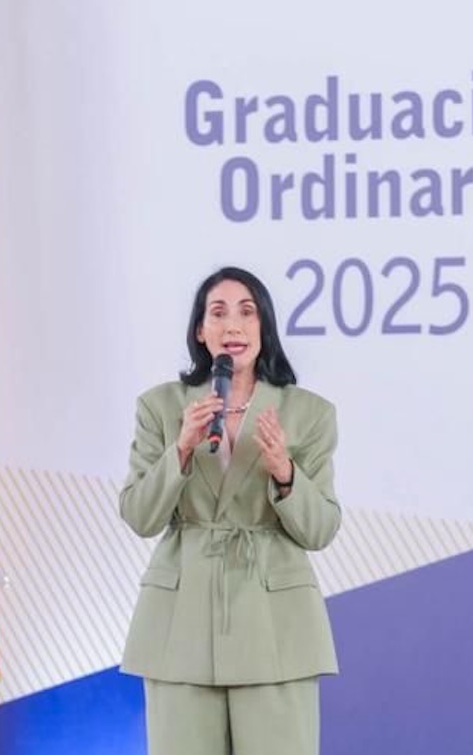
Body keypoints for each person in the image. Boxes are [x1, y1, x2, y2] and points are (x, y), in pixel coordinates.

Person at [118, 266, 341, 755]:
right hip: (181, 627)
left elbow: (321, 528)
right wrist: (180, 449)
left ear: (264, 327)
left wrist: (285, 472)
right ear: (200, 330)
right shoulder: (161, 407)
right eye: (217, 313)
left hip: (276, 629)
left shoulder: (309, 413)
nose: (232, 325)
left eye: (247, 312)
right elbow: (138, 515)